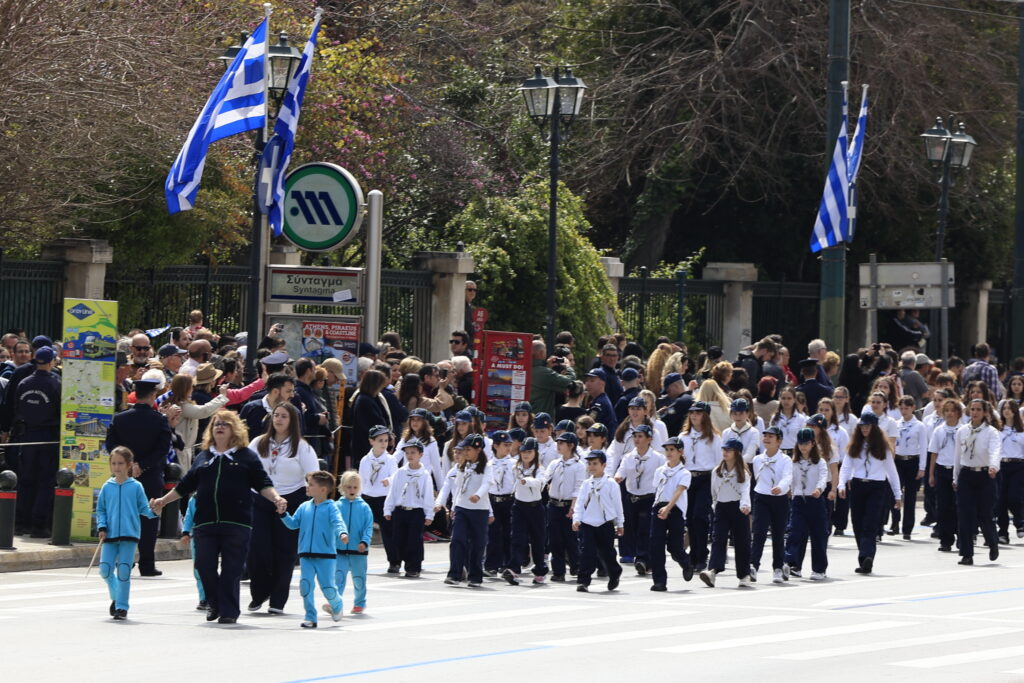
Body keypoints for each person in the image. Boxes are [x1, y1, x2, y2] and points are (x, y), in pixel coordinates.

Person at [150, 411, 288, 623]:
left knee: (231, 569)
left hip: (237, 522)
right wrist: (162, 501)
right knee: (203, 566)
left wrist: (277, 499)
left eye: (225, 424)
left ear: (234, 429)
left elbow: (262, 483)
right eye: (216, 424)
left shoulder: (246, 456)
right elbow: (185, 485)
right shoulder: (204, 457)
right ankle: (213, 602)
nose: (219, 427)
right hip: (205, 522)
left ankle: (229, 612)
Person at [247, 402, 319, 614]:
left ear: (292, 421)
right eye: (276, 415)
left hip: (291, 500)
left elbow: (313, 476)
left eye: (284, 416)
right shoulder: (258, 442)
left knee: (284, 551)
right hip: (260, 498)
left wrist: (315, 503)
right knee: (257, 549)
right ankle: (259, 593)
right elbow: (247, 466)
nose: (278, 419)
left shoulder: (302, 447)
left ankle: (278, 599)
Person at [105, 371, 172, 575]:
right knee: (149, 518)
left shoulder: (120, 418)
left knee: (123, 518)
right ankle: (147, 564)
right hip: (150, 475)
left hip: (123, 475)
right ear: (153, 395)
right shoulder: (159, 420)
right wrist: (142, 465)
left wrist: (126, 464)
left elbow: (110, 444)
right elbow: (162, 449)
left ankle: (124, 561)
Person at [96, 446, 159, 620]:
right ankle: (116, 597)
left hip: (130, 536)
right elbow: (101, 509)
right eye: (114, 463)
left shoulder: (136, 486)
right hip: (109, 536)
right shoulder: (107, 487)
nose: (117, 467)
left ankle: (122, 607)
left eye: (121, 463)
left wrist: (154, 511)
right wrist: (102, 526)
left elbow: (144, 509)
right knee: (105, 570)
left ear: (129, 464)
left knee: (124, 571)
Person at [278, 470, 347, 628]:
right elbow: (293, 524)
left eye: (311, 485)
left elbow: (338, 522)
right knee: (306, 586)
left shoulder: (331, 507)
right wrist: (283, 515)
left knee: (328, 587)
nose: (307, 487)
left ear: (323, 489)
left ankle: (336, 605)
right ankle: (310, 616)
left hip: (326, 556)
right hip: (306, 555)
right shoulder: (304, 507)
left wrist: (342, 533)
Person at [838, 413, 901, 575]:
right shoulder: (855, 445)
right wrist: (841, 484)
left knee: (870, 524)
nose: (864, 429)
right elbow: (846, 466)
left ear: (875, 427)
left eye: (868, 426)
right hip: (858, 484)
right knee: (857, 523)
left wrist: (897, 494)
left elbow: (891, 472)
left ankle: (868, 557)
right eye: (862, 426)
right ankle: (863, 558)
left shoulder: (882, 447)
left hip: (877, 487)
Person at [12, 347, 61, 537]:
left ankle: (21, 523)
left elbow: (17, 409)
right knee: (46, 481)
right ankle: (38, 525)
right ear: (51, 362)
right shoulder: (56, 384)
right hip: (48, 437)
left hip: (27, 436)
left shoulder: (24, 383)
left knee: (25, 480)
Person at [954, 399, 1001, 566]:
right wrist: (955, 477)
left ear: (985, 412)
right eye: (972, 409)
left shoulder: (991, 432)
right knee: (965, 514)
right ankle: (967, 554)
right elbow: (958, 456)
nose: (975, 412)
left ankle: (993, 542)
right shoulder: (962, 431)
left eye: (978, 409)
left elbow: (995, 451)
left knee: (984, 514)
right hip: (966, 475)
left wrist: (994, 466)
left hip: (985, 475)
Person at [442, 434, 492, 587]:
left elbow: (487, 483)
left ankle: (475, 576)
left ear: (478, 449)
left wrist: (478, 495)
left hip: (479, 510)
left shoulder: (486, 466)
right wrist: (454, 506)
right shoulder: (462, 466)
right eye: (464, 449)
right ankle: (455, 573)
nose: (465, 452)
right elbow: (458, 488)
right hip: (462, 508)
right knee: (457, 539)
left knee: (478, 543)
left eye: (468, 449)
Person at [701, 439, 752, 588]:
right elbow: (714, 491)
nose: (725, 452)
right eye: (724, 449)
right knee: (718, 539)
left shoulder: (743, 473)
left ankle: (744, 574)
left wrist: (745, 505)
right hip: (722, 508)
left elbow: (744, 490)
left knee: (742, 541)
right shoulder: (716, 471)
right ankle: (713, 571)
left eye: (729, 450)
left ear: (737, 453)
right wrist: (715, 506)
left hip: (738, 507)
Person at [572, 449, 624, 593]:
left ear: (604, 465)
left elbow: (618, 504)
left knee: (607, 553)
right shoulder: (586, 484)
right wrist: (577, 518)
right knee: (587, 552)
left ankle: (614, 573)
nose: (592, 467)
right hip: (588, 523)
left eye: (595, 463)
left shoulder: (611, 483)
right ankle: (583, 581)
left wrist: (620, 523)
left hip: (605, 523)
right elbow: (580, 502)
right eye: (589, 464)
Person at [648, 436, 694, 591]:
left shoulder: (684, 473)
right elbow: (657, 490)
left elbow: (679, 491)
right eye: (667, 450)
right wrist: (659, 508)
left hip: (675, 510)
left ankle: (685, 562)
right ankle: (660, 581)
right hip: (659, 508)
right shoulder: (660, 470)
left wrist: (668, 508)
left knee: (674, 546)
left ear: (680, 452)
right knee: (656, 545)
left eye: (672, 450)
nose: (669, 453)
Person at [784, 429, 830, 581]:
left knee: (818, 535)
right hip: (799, 500)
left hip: (815, 500)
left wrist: (819, 489)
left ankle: (819, 568)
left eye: (806, 443)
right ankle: (793, 564)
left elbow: (823, 477)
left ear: (812, 444)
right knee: (795, 531)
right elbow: (790, 478)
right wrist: (788, 490)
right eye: (800, 443)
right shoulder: (794, 462)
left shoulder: (820, 462)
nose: (803, 447)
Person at [384, 439, 434, 578]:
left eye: (413, 452)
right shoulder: (400, 472)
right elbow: (393, 491)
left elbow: (428, 495)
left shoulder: (424, 474)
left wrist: (429, 514)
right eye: (407, 453)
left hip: (416, 511)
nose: (410, 455)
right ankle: (404, 561)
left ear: (420, 454)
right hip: (400, 510)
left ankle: (414, 566)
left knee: (415, 540)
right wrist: (388, 509)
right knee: (399, 539)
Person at [750, 426, 793, 583]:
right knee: (759, 532)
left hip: (779, 499)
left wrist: (780, 487)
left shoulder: (786, 460)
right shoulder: (757, 459)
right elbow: (758, 478)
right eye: (765, 436)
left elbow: (788, 477)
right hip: (761, 497)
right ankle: (753, 565)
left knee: (778, 534)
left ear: (779, 441)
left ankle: (778, 567)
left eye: (771, 436)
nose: (767, 439)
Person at [503, 437, 548, 585]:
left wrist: (526, 480)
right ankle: (513, 568)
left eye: (529, 451)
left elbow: (540, 483)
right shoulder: (516, 467)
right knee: (517, 538)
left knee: (537, 540)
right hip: (519, 507)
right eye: (523, 452)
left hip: (535, 507)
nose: (526, 455)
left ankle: (540, 570)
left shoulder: (540, 469)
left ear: (535, 452)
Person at [163, 374, 229, 471]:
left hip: (185, 449)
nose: (192, 389)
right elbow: (203, 411)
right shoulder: (180, 406)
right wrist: (222, 396)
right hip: (180, 451)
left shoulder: (177, 402)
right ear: (185, 388)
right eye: (191, 386)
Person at [545, 429, 586, 582]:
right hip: (554, 504)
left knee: (570, 539)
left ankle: (576, 566)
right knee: (555, 540)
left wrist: (574, 507)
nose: (558, 445)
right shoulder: (555, 463)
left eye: (561, 443)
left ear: (571, 445)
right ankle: (558, 571)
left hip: (569, 504)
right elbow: (545, 477)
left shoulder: (579, 465)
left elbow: (579, 487)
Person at [358, 426, 399, 572]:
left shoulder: (390, 459)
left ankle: (394, 561)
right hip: (367, 498)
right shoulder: (365, 460)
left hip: (384, 499)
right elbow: (361, 480)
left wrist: (389, 480)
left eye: (386, 440)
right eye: (380, 440)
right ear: (371, 441)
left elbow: (396, 476)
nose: (383, 444)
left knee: (388, 531)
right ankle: (358, 559)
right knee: (362, 530)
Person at [335, 471, 373, 614]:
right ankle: (336, 602)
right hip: (340, 549)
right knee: (338, 577)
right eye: (349, 487)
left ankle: (360, 602)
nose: (352, 490)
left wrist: (365, 542)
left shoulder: (364, 507)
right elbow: (333, 525)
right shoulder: (337, 506)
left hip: (359, 550)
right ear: (343, 487)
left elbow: (368, 527)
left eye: (355, 487)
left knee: (359, 578)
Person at [891, 396, 928, 539]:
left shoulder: (919, 426)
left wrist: (922, 467)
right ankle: (895, 522)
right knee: (895, 492)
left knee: (910, 496)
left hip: (912, 460)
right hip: (898, 461)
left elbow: (923, 447)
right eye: (901, 408)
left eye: (906, 408)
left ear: (913, 408)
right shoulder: (896, 424)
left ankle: (907, 528)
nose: (903, 411)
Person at [928, 399, 962, 552]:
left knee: (958, 505)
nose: (949, 413)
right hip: (942, 470)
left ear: (957, 413)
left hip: (958, 470)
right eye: (946, 410)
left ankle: (962, 535)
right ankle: (945, 539)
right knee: (942, 506)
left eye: (952, 410)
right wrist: (931, 474)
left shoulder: (962, 430)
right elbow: (934, 453)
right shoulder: (939, 430)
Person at [484, 430, 516, 577]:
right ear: (495, 445)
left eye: (510, 445)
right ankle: (491, 564)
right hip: (493, 500)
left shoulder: (514, 464)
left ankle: (507, 563)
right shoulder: (488, 464)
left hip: (508, 500)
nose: (508, 448)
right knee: (493, 534)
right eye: (505, 445)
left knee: (508, 533)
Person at [996, 400, 1024, 544]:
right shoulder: (998, 430)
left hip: (1018, 466)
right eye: (1004, 408)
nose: (1007, 411)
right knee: (1001, 501)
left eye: (1010, 408)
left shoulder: (1022, 430)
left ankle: (1020, 522)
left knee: (1014, 497)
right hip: (1001, 466)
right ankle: (1003, 533)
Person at [529, 340, 574, 418]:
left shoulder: (528, 369)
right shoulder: (544, 373)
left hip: (530, 416)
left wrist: (547, 366)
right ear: (541, 353)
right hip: (541, 418)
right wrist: (568, 367)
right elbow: (569, 382)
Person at [770, 387, 807, 455]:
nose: (786, 401)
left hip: (795, 454)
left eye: (789, 398)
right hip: (778, 454)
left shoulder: (801, 418)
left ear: (794, 399)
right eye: (783, 398)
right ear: (780, 399)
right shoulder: (774, 418)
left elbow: (803, 439)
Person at [584, 368, 618, 435]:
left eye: (592, 381)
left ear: (602, 383)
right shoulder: (598, 399)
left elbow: (590, 425)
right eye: (587, 380)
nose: (588, 384)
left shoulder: (600, 403)